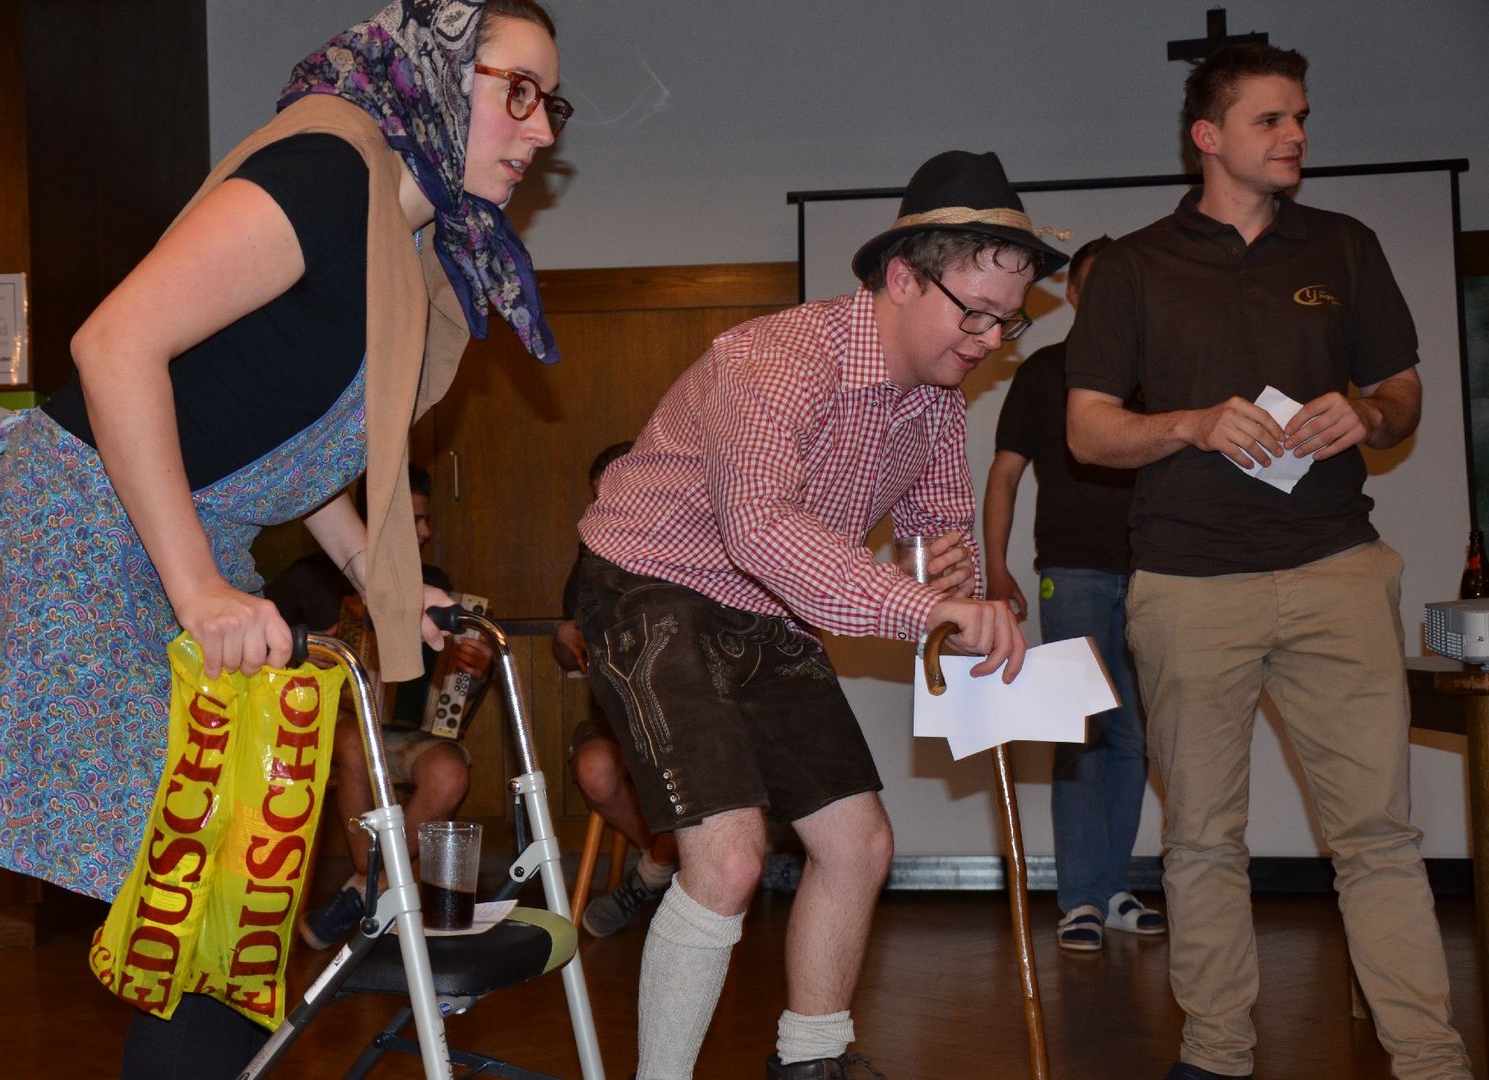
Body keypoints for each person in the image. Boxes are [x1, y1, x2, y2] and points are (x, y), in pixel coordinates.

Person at [0, 1, 568, 1074]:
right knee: (206, 895)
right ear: (434, 76)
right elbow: (113, 345)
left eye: (551, 105)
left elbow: (279, 435)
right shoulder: (326, 170)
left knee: (238, 904)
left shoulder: (407, 238)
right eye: (516, 91)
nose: (539, 130)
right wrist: (199, 587)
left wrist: (380, 574)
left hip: (182, 528)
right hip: (84, 527)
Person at [574, 151, 1059, 1080]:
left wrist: (956, 589)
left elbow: (935, 531)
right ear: (903, 278)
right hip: (650, 585)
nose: (992, 339)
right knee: (728, 861)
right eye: (976, 312)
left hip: (767, 608)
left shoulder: (937, 405)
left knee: (860, 844)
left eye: (1010, 319)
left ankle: (812, 1060)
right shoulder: (777, 359)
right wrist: (924, 605)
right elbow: (760, 529)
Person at [1066, 43, 1472, 1080]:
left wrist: (1368, 413)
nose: (1294, 135)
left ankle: (1428, 1058)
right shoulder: (1135, 267)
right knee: (1202, 838)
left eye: (1300, 118)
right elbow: (1088, 431)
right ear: (1208, 136)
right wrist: (1189, 423)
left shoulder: (1343, 245)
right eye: (1270, 120)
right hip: (1187, 583)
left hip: (1337, 568)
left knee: (1378, 835)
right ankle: (1216, 1054)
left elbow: (1402, 393)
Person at [982, 234, 1165, 953]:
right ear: (1077, 293)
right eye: (1101, 282)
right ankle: (1080, 899)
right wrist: (996, 568)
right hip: (1074, 573)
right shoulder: (1045, 371)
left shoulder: (1161, 374)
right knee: (1082, 733)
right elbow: (1004, 474)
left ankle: (1114, 888)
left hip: (1157, 575)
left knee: (1134, 736)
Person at [272, 465, 493, 950]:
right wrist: (304, 654)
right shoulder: (307, 580)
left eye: (425, 519)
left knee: (449, 774)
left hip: (406, 731)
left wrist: (473, 671)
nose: (426, 532)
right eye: (413, 521)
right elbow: (260, 660)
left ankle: (365, 885)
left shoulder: (432, 585)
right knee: (354, 740)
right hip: (335, 730)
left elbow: (453, 679)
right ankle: (376, 878)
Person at [554, 442, 682, 937]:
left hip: (683, 717)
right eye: (598, 497)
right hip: (614, 715)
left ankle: (649, 876)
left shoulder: (687, 546)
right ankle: (665, 861)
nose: (605, 508)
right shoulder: (591, 556)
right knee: (596, 770)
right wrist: (564, 639)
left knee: (691, 769)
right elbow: (567, 654)